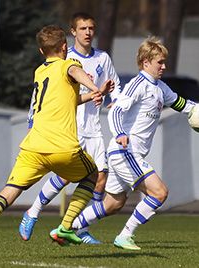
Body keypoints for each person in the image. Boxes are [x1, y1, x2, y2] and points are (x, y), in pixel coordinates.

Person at [0, 24, 115, 258]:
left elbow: (67, 100)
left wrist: (90, 94)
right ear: (65, 47)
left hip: (32, 147)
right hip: (62, 147)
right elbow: (75, 72)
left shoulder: (40, 72)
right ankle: (65, 227)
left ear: (42, 52)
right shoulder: (69, 64)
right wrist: (95, 87)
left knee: (8, 192)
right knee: (93, 175)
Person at [58, 36, 197, 250]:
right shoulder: (137, 84)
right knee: (159, 192)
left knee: (113, 203)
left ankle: (67, 228)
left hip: (130, 154)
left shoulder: (160, 87)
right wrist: (121, 132)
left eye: (164, 62)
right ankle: (125, 235)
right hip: (125, 151)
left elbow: (181, 103)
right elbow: (116, 111)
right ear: (145, 62)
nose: (164, 66)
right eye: (159, 62)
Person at [19, 12, 120, 244]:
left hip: (93, 127)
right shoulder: (64, 59)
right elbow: (39, 96)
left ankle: (79, 228)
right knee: (65, 177)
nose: (88, 33)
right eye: (83, 28)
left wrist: (113, 98)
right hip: (69, 128)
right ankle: (33, 212)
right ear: (73, 32)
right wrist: (31, 122)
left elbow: (114, 87)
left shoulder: (103, 58)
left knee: (100, 178)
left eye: (91, 28)